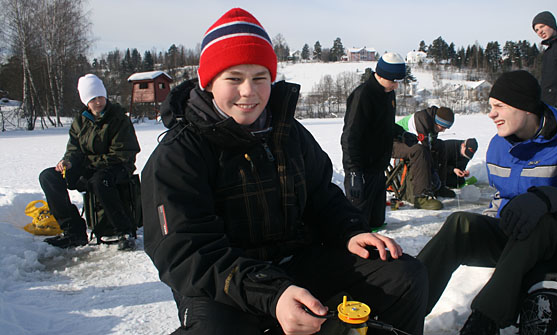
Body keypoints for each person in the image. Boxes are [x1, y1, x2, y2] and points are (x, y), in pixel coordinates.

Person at [141, 8, 427, 335]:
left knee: (404, 276)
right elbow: (187, 252)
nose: (249, 91)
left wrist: (350, 231)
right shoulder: (179, 153)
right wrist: (271, 293)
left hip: (296, 262)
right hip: (226, 284)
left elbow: (323, 196)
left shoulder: (288, 132)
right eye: (234, 78)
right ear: (209, 83)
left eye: (260, 78)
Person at [417, 70, 557, 334]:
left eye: (499, 106)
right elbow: (500, 196)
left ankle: (484, 321)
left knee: (537, 224)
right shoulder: (498, 146)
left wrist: (549, 198)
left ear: (526, 108)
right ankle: (406, 306)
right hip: (516, 237)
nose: (491, 114)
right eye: (490, 107)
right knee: (460, 223)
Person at [39, 74, 140, 250]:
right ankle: (73, 231)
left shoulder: (118, 118)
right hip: (88, 166)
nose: (98, 102)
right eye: (93, 99)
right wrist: (68, 162)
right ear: (86, 101)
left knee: (100, 181)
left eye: (101, 97)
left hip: (117, 166)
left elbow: (122, 154)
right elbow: (73, 149)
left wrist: (86, 162)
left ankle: (124, 231)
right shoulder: (80, 121)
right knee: (49, 177)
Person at [341, 52, 416, 227]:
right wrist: (353, 172)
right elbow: (349, 137)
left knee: (377, 222)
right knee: (358, 225)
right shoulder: (363, 96)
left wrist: (401, 134)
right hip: (362, 169)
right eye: (394, 81)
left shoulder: (387, 93)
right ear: (381, 75)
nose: (396, 86)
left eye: (398, 82)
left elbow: (385, 124)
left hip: (378, 168)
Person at [392, 106, 455, 210]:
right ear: (437, 121)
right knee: (420, 151)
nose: (443, 131)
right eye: (442, 127)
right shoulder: (421, 120)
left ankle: (441, 187)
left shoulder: (434, 120)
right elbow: (425, 148)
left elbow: (432, 145)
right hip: (394, 142)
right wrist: (433, 174)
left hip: (411, 141)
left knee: (440, 146)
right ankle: (420, 196)